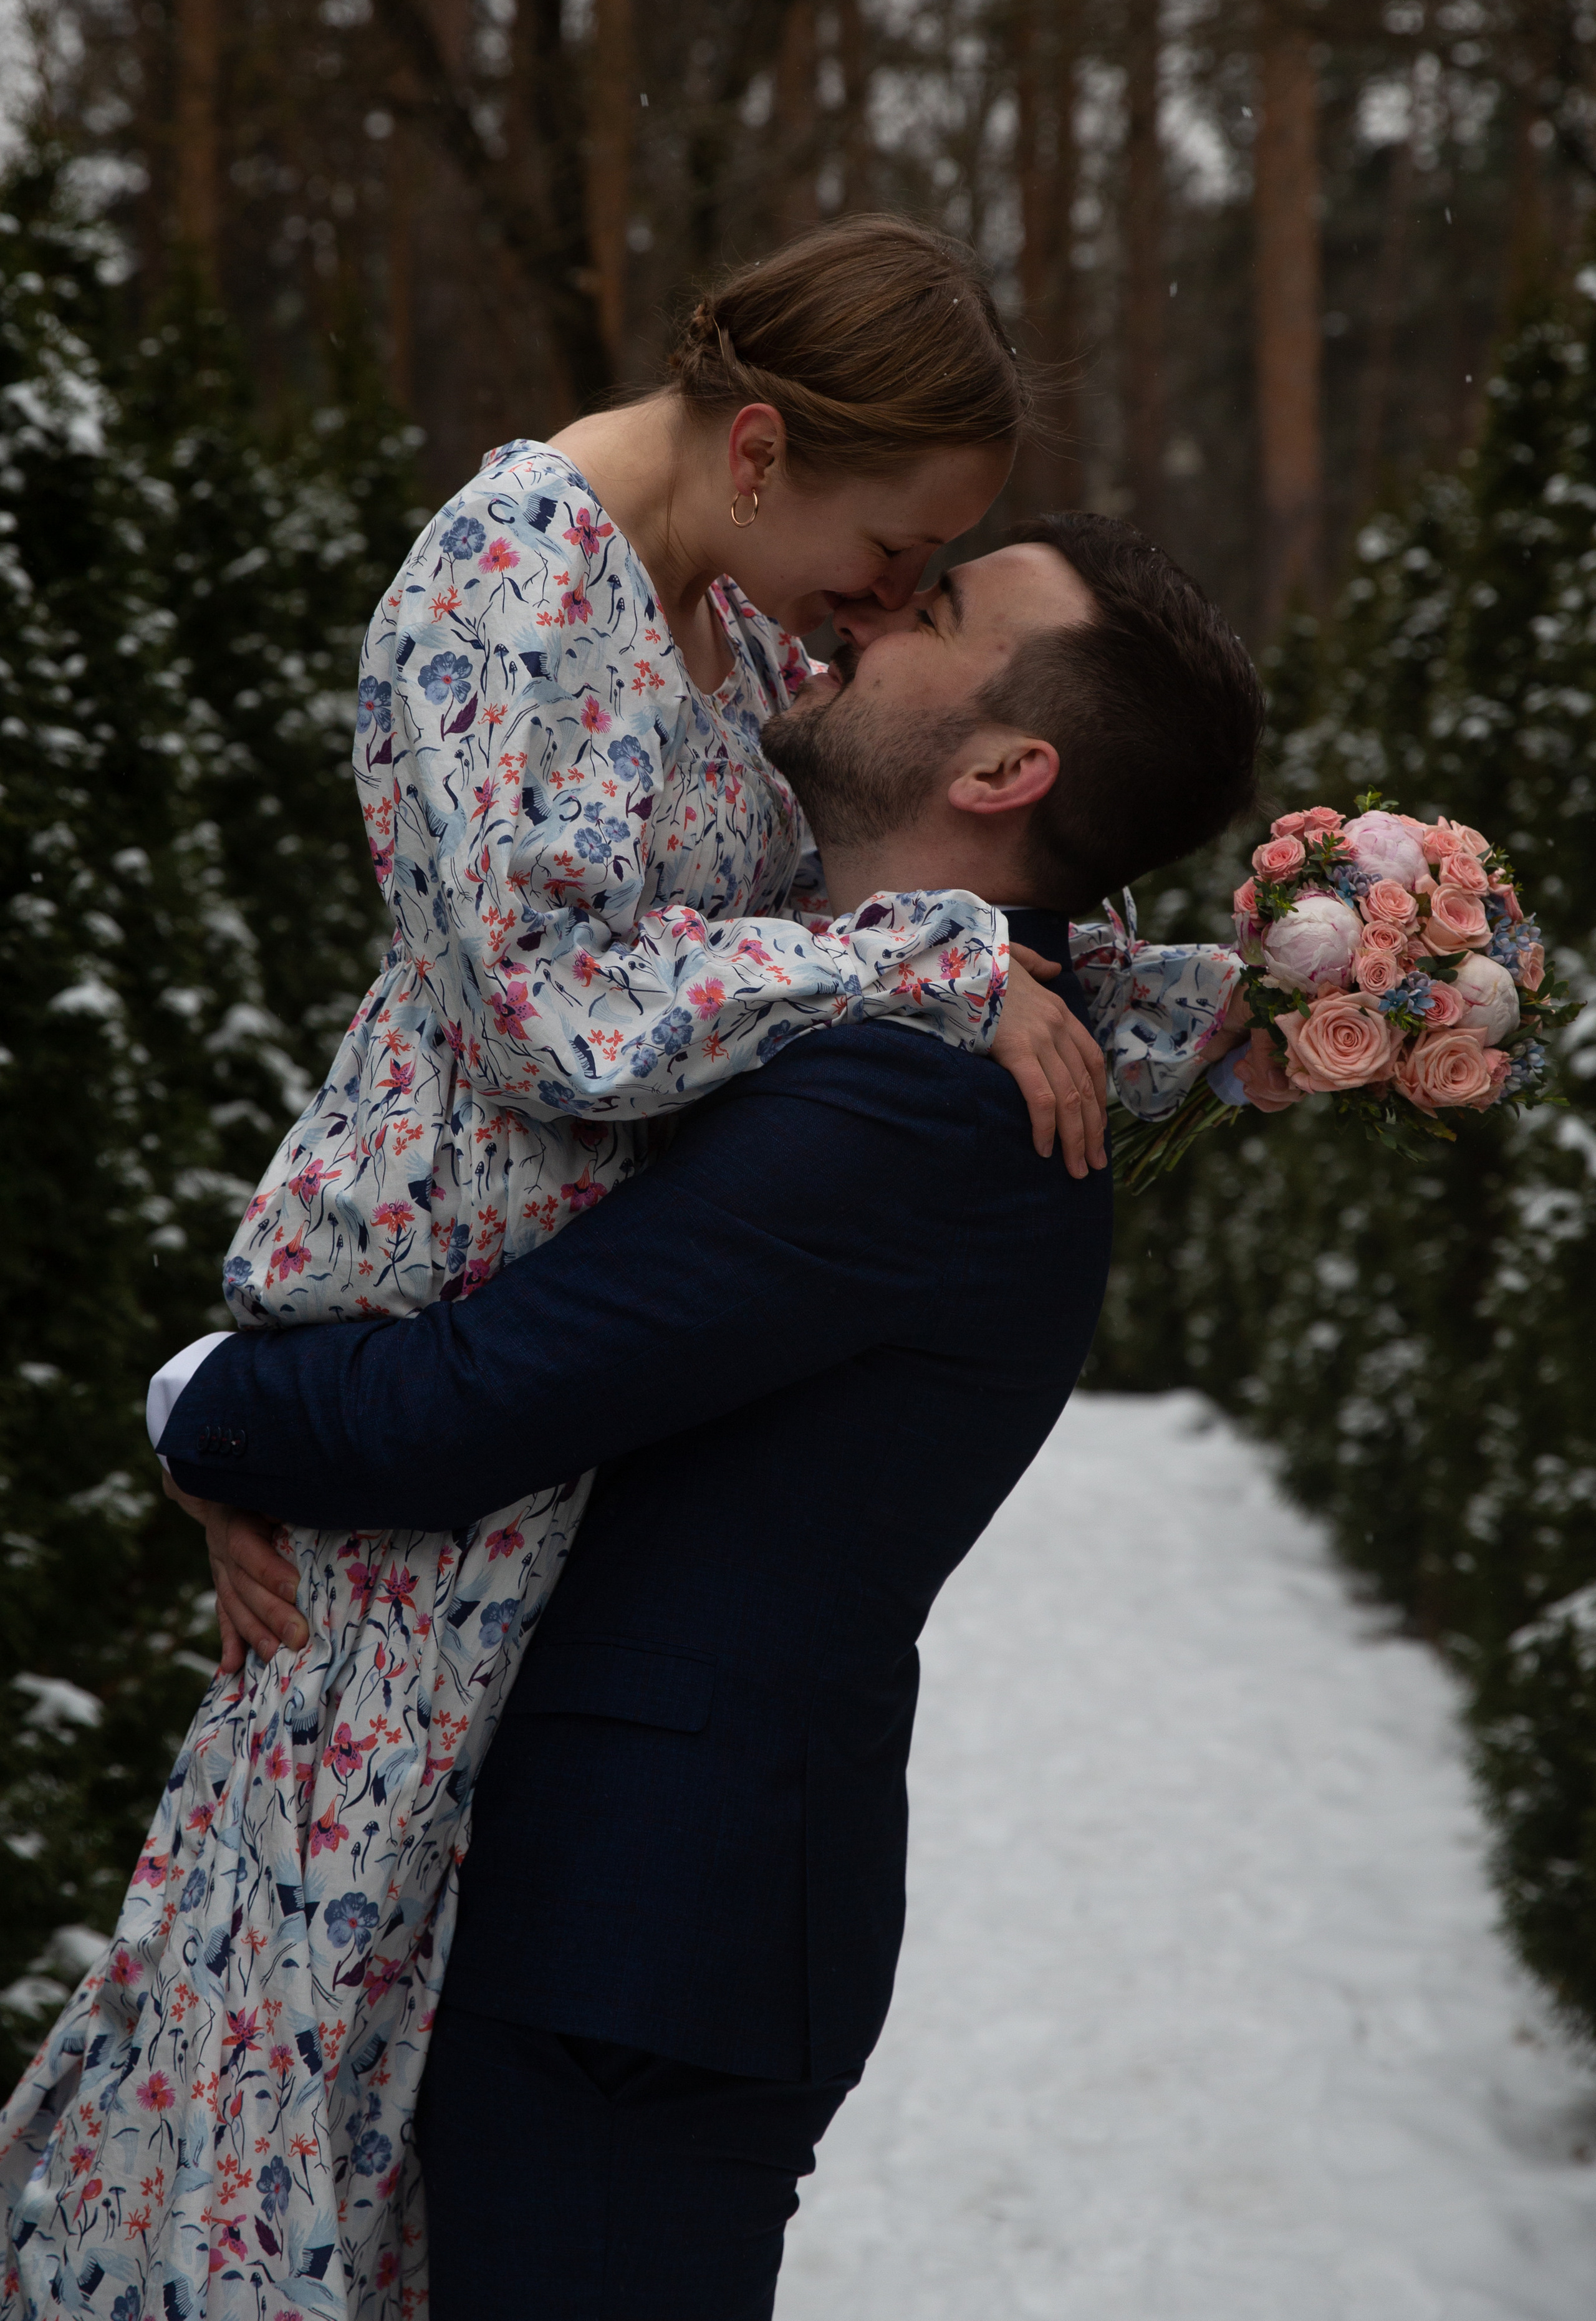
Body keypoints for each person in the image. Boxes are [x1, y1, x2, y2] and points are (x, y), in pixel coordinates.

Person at [0, 219, 1107, 2321]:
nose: (889, 604)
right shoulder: (506, 589)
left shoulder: (739, 614)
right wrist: (936, 955)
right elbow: (545, 1009)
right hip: (434, 1335)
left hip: (546, 1374)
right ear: (765, 448)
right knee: (302, 2010)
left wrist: (1244, 995)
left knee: (415, 2002)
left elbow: (834, 930)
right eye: (902, 546)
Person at [151, 516, 1264, 2318]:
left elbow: (465, 1407)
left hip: (641, 1943)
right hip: (637, 1922)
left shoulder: (913, 1112)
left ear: (1006, 768)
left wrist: (211, 1399)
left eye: (945, 611)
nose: (884, 613)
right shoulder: (912, 1007)